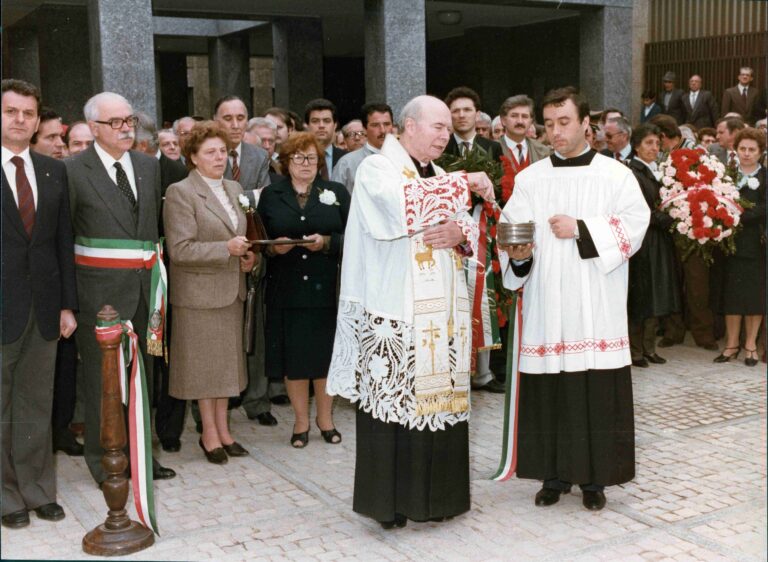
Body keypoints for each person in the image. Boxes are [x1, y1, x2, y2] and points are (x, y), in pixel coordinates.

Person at [326, 95, 495, 528]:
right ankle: (392, 504)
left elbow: (464, 227)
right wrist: (463, 183)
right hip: (397, 312)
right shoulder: (377, 168)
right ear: (408, 126)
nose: (445, 135)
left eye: (447, 128)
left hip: (441, 317)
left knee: (438, 406)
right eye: (437, 126)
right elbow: (400, 210)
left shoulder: (439, 173)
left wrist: (461, 229)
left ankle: (438, 500)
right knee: (394, 407)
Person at [498, 86, 649, 511]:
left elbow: (636, 225)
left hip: (595, 302)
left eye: (564, 122)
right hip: (548, 302)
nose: (556, 131)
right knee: (552, 392)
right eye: (549, 124)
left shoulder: (615, 175)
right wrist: (519, 255)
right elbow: (511, 233)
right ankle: (553, 475)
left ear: (586, 123)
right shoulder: (530, 179)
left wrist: (582, 228)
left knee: (593, 391)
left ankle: (594, 480)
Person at [65, 91, 176, 484]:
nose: (126, 128)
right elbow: (65, 238)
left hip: (145, 290)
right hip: (98, 295)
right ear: (93, 128)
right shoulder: (73, 170)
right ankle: (103, 460)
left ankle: (143, 455)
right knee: (103, 380)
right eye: (116, 122)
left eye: (129, 120)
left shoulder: (148, 167)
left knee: (144, 377)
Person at [1, 78, 78, 529]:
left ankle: (37, 490)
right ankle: (6, 495)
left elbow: (61, 242)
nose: (20, 120)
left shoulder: (52, 171)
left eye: (28, 113)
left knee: (35, 403)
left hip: (45, 309)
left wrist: (67, 304)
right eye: (11, 111)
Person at [163, 121, 257, 463]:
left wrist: (247, 257)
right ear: (193, 157)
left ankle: (224, 430)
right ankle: (209, 434)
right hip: (198, 295)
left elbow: (242, 237)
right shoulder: (181, 192)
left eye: (222, 151)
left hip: (231, 289)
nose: (218, 157)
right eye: (210, 152)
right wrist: (226, 249)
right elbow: (180, 249)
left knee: (225, 367)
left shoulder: (234, 188)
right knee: (205, 368)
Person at [257, 131, 351, 448]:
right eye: (298, 157)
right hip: (287, 290)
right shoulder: (271, 195)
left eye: (312, 157)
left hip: (327, 289)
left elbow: (353, 238)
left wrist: (326, 242)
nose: (306, 163)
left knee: (325, 357)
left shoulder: (335, 192)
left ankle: (325, 419)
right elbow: (259, 239)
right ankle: (300, 422)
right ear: (286, 162)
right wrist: (273, 249)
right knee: (294, 359)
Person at [443, 86, 504, 394]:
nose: (462, 115)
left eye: (467, 110)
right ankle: (456, 368)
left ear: (477, 114)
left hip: (483, 231)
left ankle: (484, 372)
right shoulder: (442, 149)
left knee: (483, 294)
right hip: (452, 231)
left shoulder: (491, 147)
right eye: (455, 110)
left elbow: (502, 188)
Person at [626, 123, 681, 367]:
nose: (654, 148)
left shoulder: (656, 170)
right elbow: (644, 211)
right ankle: (636, 351)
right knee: (642, 296)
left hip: (658, 241)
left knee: (655, 295)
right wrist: (676, 221)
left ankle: (648, 348)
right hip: (644, 241)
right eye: (648, 143)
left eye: (657, 144)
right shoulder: (634, 173)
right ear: (636, 146)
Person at [710, 128, 766, 366]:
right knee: (731, 295)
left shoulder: (766, 176)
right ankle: (731, 344)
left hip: (757, 245)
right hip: (730, 244)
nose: (746, 153)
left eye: (752, 149)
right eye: (742, 148)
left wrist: (739, 214)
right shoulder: (727, 175)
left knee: (755, 297)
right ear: (736, 150)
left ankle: (750, 345)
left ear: (760, 152)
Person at [214, 95, 271, 198]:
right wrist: (253, 194)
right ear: (216, 122)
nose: (235, 125)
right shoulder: (206, 155)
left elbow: (265, 197)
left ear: (247, 122)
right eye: (228, 118)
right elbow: (211, 196)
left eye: (240, 118)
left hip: (251, 214)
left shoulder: (260, 156)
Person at [332, 102, 393, 193]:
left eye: (387, 124)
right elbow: (335, 199)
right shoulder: (346, 163)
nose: (382, 130)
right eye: (375, 125)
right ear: (364, 129)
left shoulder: (404, 159)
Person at [304, 98, 346, 178]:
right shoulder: (298, 159)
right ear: (307, 126)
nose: (321, 125)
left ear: (335, 125)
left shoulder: (345, 158)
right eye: (315, 121)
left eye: (326, 121)